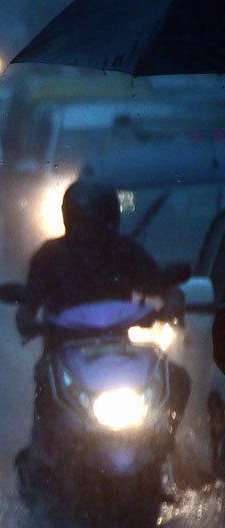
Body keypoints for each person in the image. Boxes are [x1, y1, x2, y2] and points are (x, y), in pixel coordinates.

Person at [15, 179, 190, 432]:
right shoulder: (49, 256)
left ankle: (162, 440)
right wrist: (26, 318)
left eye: (96, 220)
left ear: (110, 219)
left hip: (121, 352)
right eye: (83, 220)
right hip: (63, 353)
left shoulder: (125, 251)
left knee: (177, 378)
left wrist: (173, 302)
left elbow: (159, 283)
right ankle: (45, 456)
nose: (89, 228)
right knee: (46, 383)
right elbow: (30, 301)